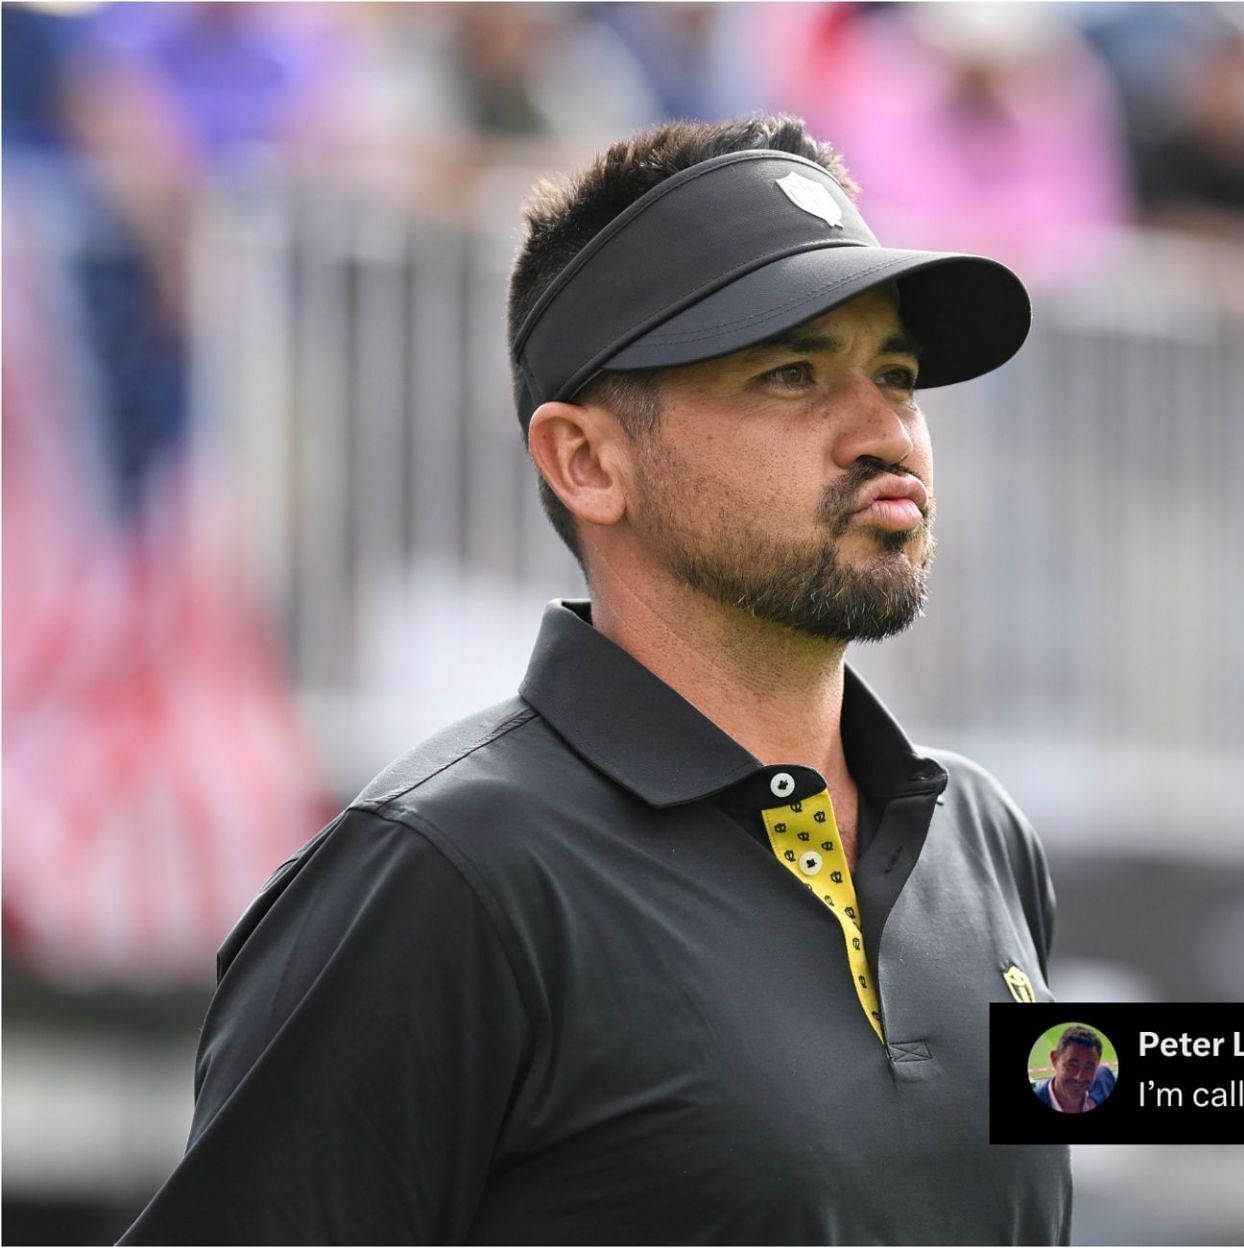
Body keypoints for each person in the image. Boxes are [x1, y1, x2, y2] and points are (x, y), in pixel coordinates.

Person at [122, 114, 1069, 1244]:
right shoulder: (443, 876)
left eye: (897, 375)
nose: (885, 432)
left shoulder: (984, 840)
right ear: (588, 462)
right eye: (791, 374)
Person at [1034, 1026, 1117, 1113]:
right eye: (1072, 1065)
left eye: (1089, 1068)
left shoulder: (1105, 1080)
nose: (1079, 1077)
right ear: (1055, 1059)